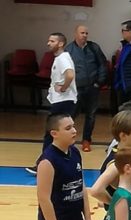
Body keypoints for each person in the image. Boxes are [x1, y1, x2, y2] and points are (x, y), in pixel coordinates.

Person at [26, 33, 78, 175]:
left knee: (52, 134)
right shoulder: (60, 58)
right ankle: (53, 163)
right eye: (48, 40)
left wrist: (64, 87)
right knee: (56, 134)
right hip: (62, 101)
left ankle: (43, 165)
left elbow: (70, 75)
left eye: (52, 41)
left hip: (63, 101)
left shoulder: (63, 58)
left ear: (60, 43)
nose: (48, 43)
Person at [66, 25, 108, 153]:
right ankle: (67, 139)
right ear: (76, 34)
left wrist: (99, 82)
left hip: (92, 87)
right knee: (71, 115)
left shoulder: (94, 47)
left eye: (86, 33)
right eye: (82, 33)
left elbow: (102, 64)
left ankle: (86, 140)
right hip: (76, 88)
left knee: (91, 115)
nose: (84, 35)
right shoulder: (69, 49)